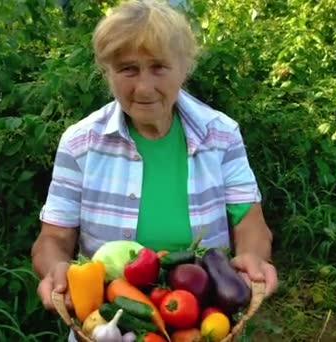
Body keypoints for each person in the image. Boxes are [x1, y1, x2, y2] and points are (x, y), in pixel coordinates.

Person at [31, 0, 278, 323]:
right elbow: (53, 238)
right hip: (106, 323)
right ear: (107, 72)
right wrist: (55, 269)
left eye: (159, 67)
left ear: (184, 67)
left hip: (200, 321)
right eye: (127, 69)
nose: (144, 88)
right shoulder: (81, 143)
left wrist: (252, 257)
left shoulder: (221, 135)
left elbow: (250, 222)